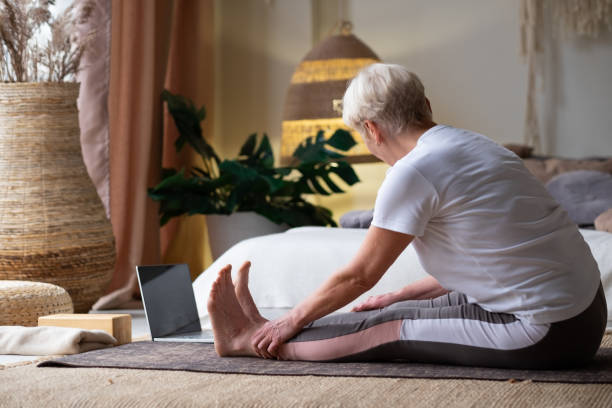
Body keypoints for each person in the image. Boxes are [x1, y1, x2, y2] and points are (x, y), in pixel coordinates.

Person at [207, 63, 606, 369]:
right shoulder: (479, 145)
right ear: (426, 106)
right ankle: (261, 328)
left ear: (372, 130)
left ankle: (250, 339)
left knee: (390, 328)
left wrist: (289, 321)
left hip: (547, 333)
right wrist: (401, 293)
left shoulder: (414, 171)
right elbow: (487, 258)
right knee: (397, 309)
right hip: (584, 315)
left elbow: (358, 275)